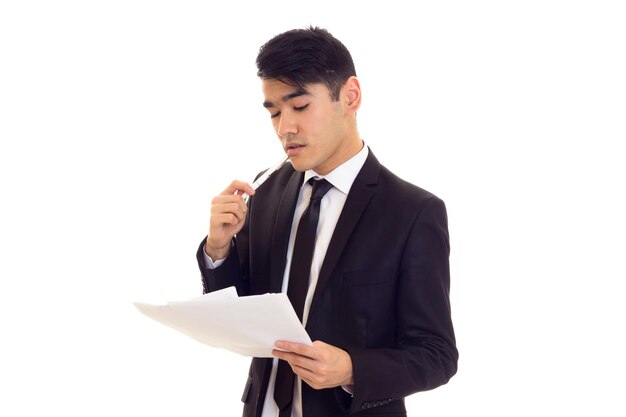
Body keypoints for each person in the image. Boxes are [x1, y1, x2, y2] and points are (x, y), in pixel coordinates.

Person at [197, 26, 458, 417]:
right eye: (274, 112)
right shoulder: (264, 190)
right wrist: (219, 250)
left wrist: (352, 368)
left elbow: (436, 355)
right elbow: (243, 310)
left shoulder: (412, 211)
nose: (286, 127)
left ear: (350, 97)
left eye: (299, 106)